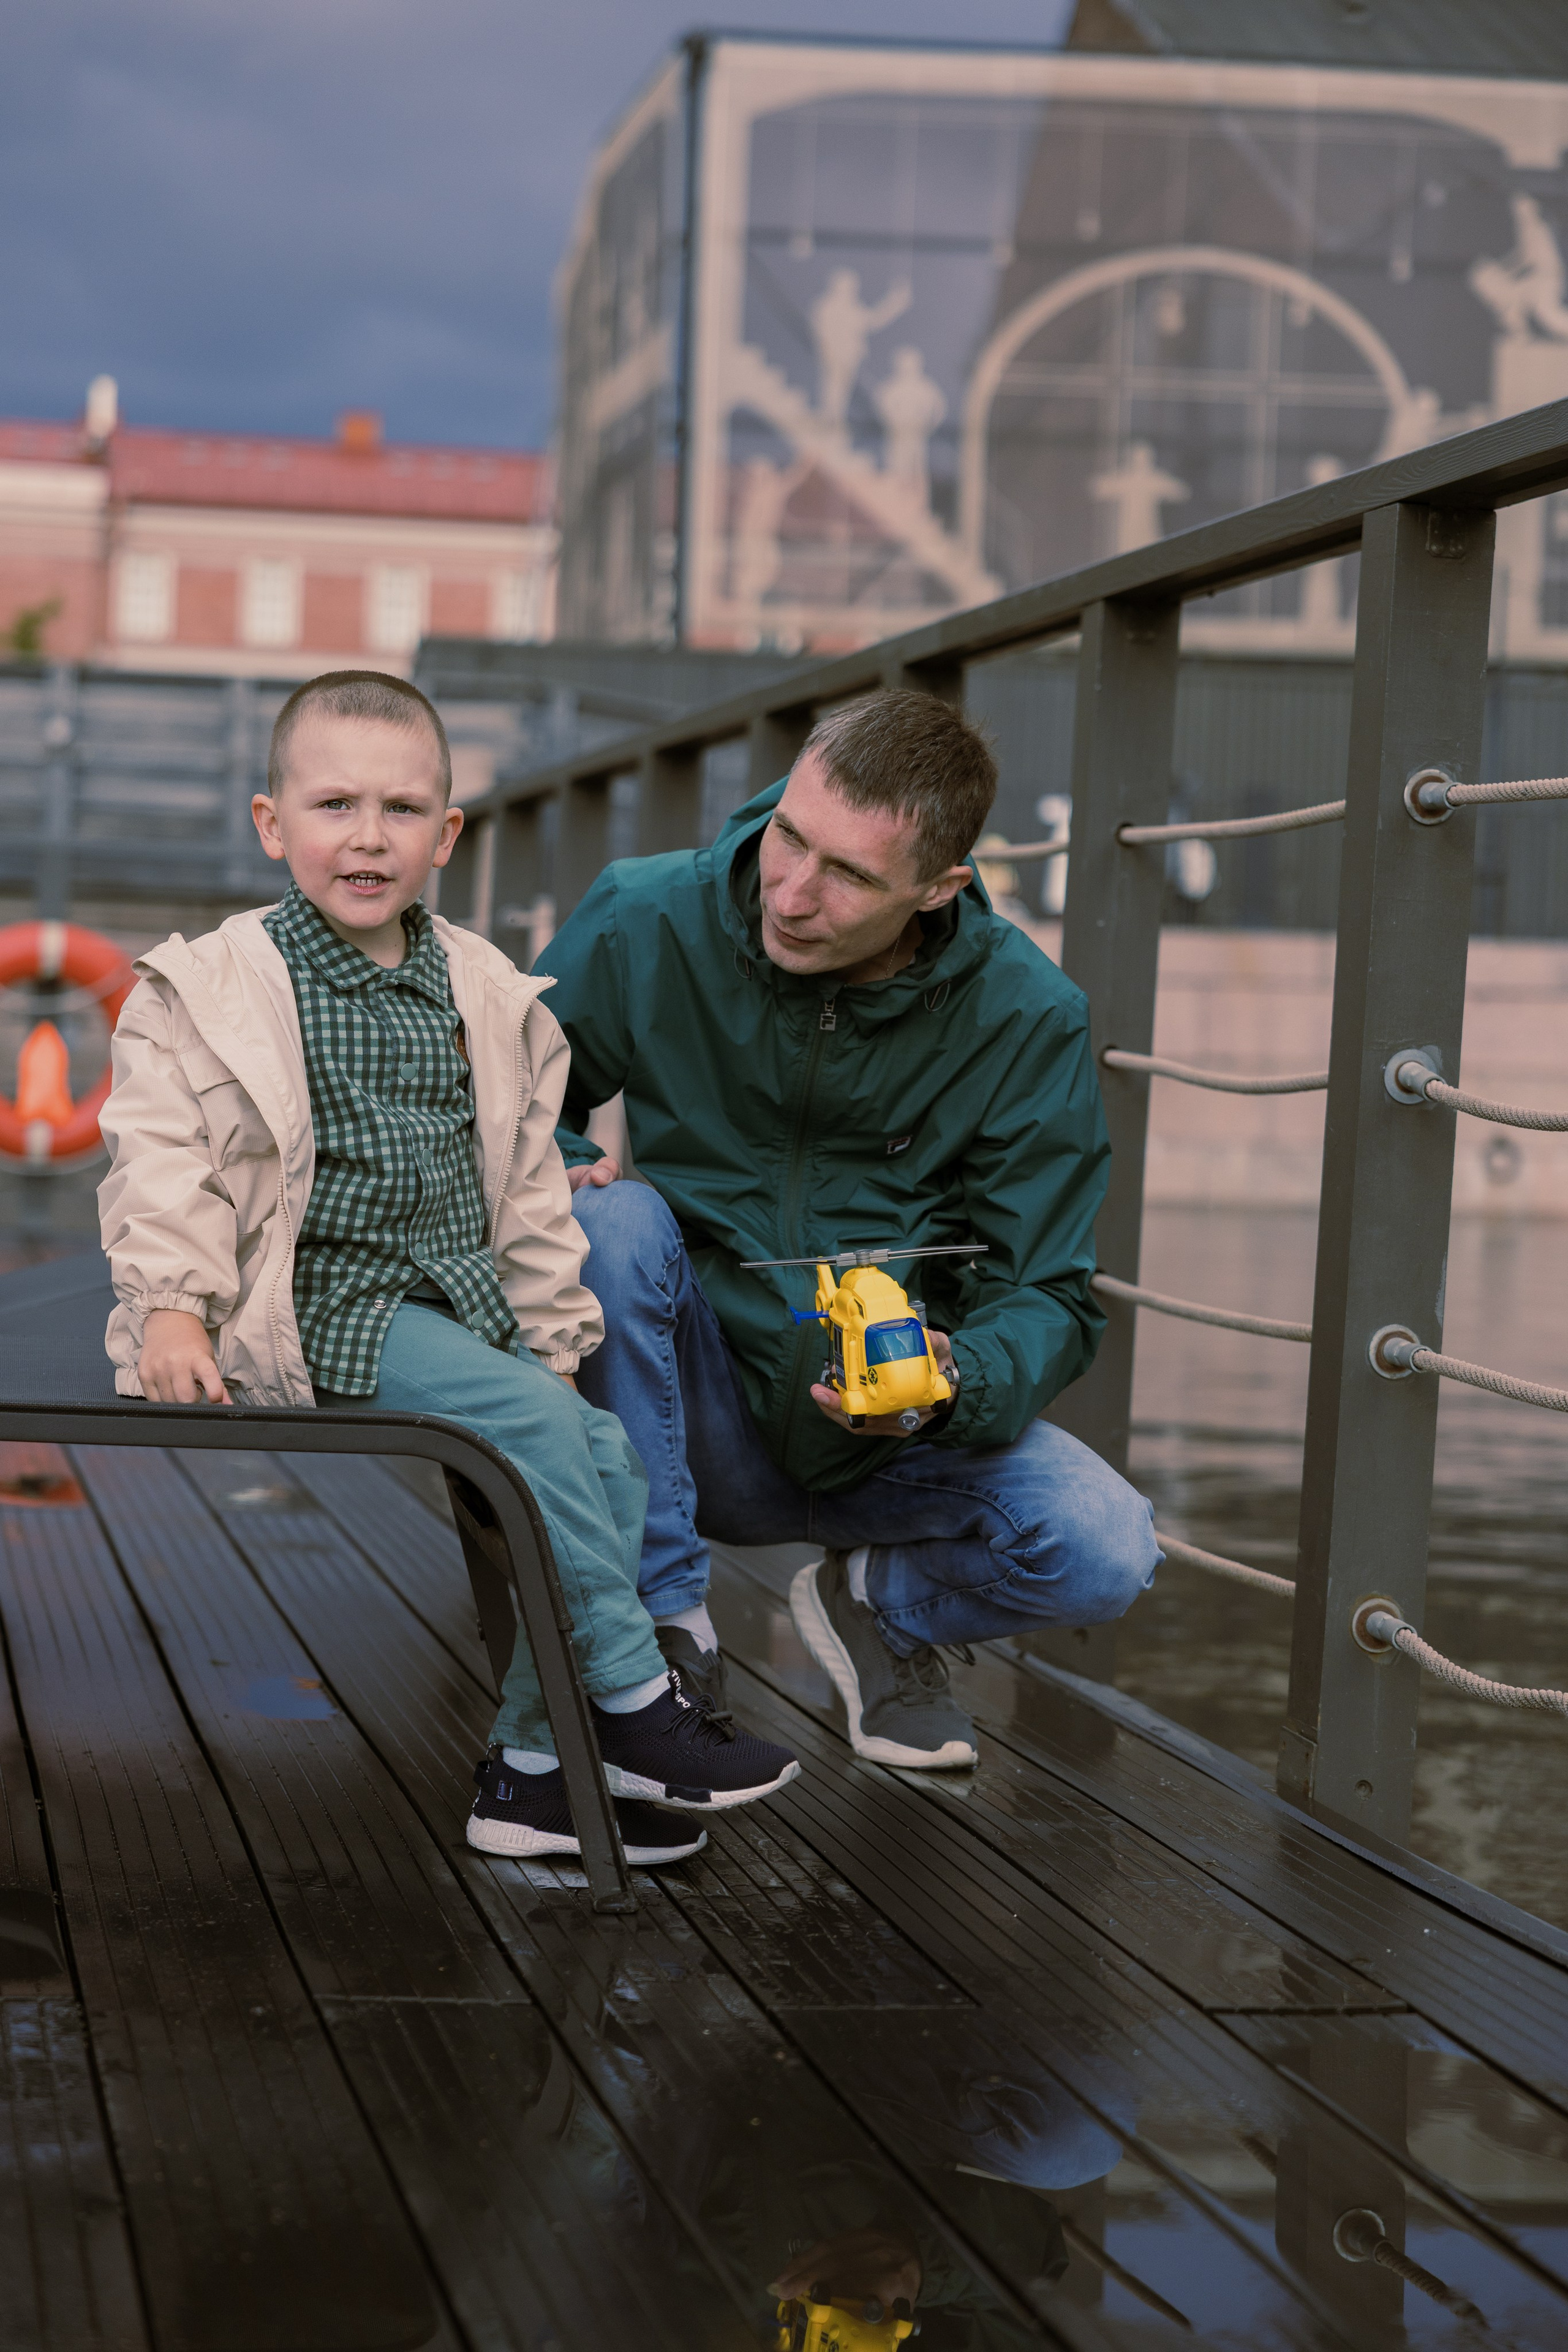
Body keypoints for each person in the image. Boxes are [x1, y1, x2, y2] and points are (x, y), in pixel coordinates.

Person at [95, 669, 798, 1865]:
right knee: (541, 1431)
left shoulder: (485, 990)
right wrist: (171, 1310)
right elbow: (160, 1160)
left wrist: (555, 1340)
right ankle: (635, 1700)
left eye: (402, 810)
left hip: (455, 1300)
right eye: (333, 805)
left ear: (447, 835)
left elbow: (526, 1187)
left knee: (604, 1452)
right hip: (316, 1299)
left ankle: (532, 1774)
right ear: (273, 825)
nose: (367, 836)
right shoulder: (209, 988)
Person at [537, 687, 1161, 1771]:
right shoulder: (647, 914)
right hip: (682, 1411)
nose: (790, 894)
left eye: (851, 877)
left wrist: (954, 1380)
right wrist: (556, 1159)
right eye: (790, 837)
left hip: (895, 1436)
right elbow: (497, 1103)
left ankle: (882, 1604)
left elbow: (1048, 1290)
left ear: (939, 888)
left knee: (1108, 1548)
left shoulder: (1027, 1014)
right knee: (615, 1219)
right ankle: (668, 1630)